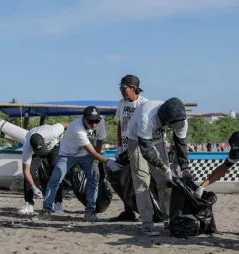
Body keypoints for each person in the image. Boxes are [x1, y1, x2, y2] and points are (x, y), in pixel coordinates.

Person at [35, 106, 123, 221]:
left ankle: (90, 212)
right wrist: (107, 162)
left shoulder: (100, 122)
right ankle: (46, 210)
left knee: (94, 177)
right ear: (84, 119)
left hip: (86, 155)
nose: (94, 124)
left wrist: (97, 156)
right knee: (55, 179)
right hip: (67, 154)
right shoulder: (77, 128)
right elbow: (90, 150)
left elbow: (100, 140)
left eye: (96, 120)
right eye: (91, 121)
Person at [126, 97, 192, 236]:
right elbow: (146, 150)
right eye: (172, 125)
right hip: (137, 141)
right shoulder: (146, 118)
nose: (174, 128)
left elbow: (181, 144)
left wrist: (185, 168)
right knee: (142, 182)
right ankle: (147, 224)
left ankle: (168, 220)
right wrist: (166, 168)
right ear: (165, 119)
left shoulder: (181, 119)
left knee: (166, 182)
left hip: (158, 140)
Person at [110, 74, 148, 222]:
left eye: (124, 88)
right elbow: (120, 124)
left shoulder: (144, 104)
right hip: (125, 148)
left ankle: (146, 212)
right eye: (120, 88)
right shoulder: (121, 103)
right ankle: (128, 211)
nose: (121, 91)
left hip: (138, 147)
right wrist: (119, 145)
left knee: (139, 181)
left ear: (133, 88)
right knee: (123, 180)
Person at [18, 122, 68, 214]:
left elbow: (66, 125)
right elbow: (26, 171)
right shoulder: (27, 148)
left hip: (54, 147)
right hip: (36, 152)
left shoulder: (53, 131)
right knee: (31, 173)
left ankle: (58, 203)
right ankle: (29, 204)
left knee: (57, 172)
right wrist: (33, 187)